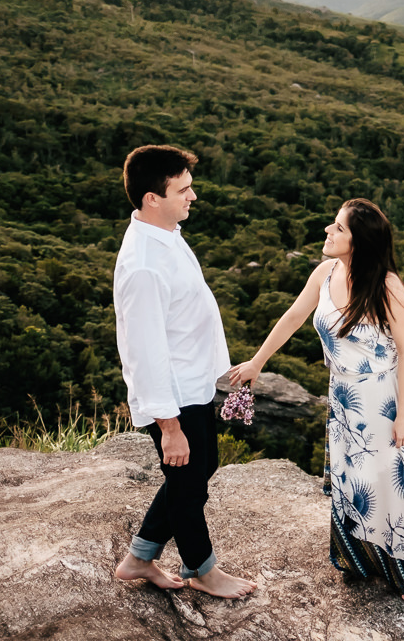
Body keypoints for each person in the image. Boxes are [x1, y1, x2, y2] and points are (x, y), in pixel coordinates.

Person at [228, 198, 404, 600]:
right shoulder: (325, 273)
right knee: (354, 479)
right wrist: (257, 361)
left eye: (338, 228)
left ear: (359, 241)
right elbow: (292, 316)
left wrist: (403, 417)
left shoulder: (388, 286)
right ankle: (358, 559)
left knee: (390, 482)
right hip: (344, 396)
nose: (328, 231)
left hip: (385, 397)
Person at [111, 144, 257, 599]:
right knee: (189, 484)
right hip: (173, 394)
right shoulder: (144, 266)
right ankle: (202, 569)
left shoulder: (166, 232)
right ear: (152, 198)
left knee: (197, 471)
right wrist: (169, 427)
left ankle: (140, 557)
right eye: (184, 190)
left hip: (192, 381)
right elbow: (144, 353)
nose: (193, 197)